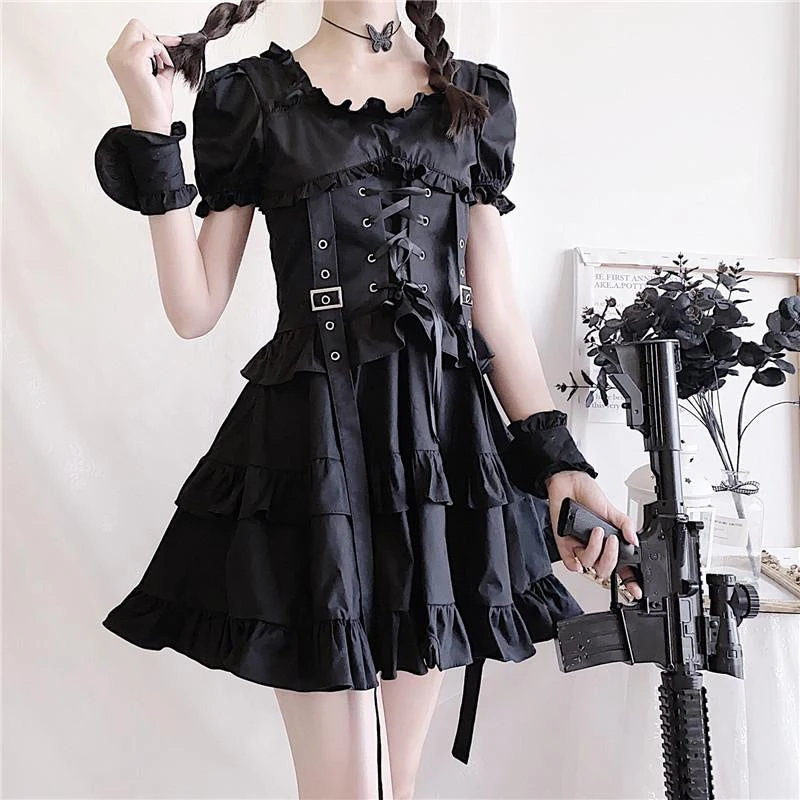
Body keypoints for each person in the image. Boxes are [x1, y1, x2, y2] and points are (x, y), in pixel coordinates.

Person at [94, 2, 643, 797]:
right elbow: (194, 306)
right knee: (346, 789)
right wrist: (152, 125)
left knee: (395, 783)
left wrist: (562, 464)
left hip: (435, 462)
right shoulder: (252, 96)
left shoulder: (471, 97)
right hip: (314, 457)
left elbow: (494, 314)